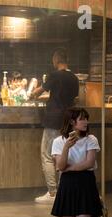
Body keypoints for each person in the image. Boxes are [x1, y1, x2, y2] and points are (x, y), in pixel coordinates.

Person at [48, 107, 102, 217]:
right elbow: (60, 165)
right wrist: (66, 147)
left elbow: (89, 163)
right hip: (68, 186)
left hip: (86, 184)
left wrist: (69, 169)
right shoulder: (58, 141)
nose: (85, 122)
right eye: (82, 119)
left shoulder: (91, 139)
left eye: (86, 119)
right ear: (72, 121)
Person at [30, 48, 79, 204]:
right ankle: (65, 191)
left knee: (48, 155)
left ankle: (52, 193)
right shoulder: (74, 78)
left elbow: (38, 92)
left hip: (53, 120)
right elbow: (71, 98)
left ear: (56, 60)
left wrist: (32, 94)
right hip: (69, 119)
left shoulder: (55, 75)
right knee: (64, 154)